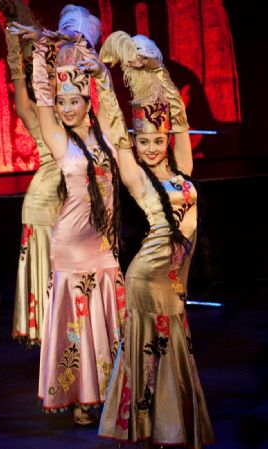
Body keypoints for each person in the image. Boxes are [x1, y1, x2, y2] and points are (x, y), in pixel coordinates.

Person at [95, 32, 215, 448]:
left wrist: (158, 73)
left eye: (157, 141)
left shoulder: (181, 167)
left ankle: (169, 425)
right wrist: (103, 82)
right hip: (147, 277)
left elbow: (179, 119)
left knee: (175, 346)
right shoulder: (136, 176)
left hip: (176, 276)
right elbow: (115, 133)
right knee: (149, 350)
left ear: (167, 140)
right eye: (143, 141)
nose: (149, 148)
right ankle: (149, 427)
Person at [23, 20, 127, 425]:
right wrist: (38, 54)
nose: (66, 108)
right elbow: (43, 99)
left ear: (87, 101)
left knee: (106, 320)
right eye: (62, 103)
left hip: (104, 242)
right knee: (76, 325)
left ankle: (111, 388)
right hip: (70, 243)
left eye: (74, 101)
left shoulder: (106, 134)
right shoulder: (58, 139)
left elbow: (113, 105)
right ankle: (82, 398)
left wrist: (100, 74)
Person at [0, 0, 62, 346]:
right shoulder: (35, 112)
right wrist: (14, 46)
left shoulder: (68, 106)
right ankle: (50, 336)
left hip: (67, 195)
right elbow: (21, 86)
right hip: (43, 198)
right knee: (49, 269)